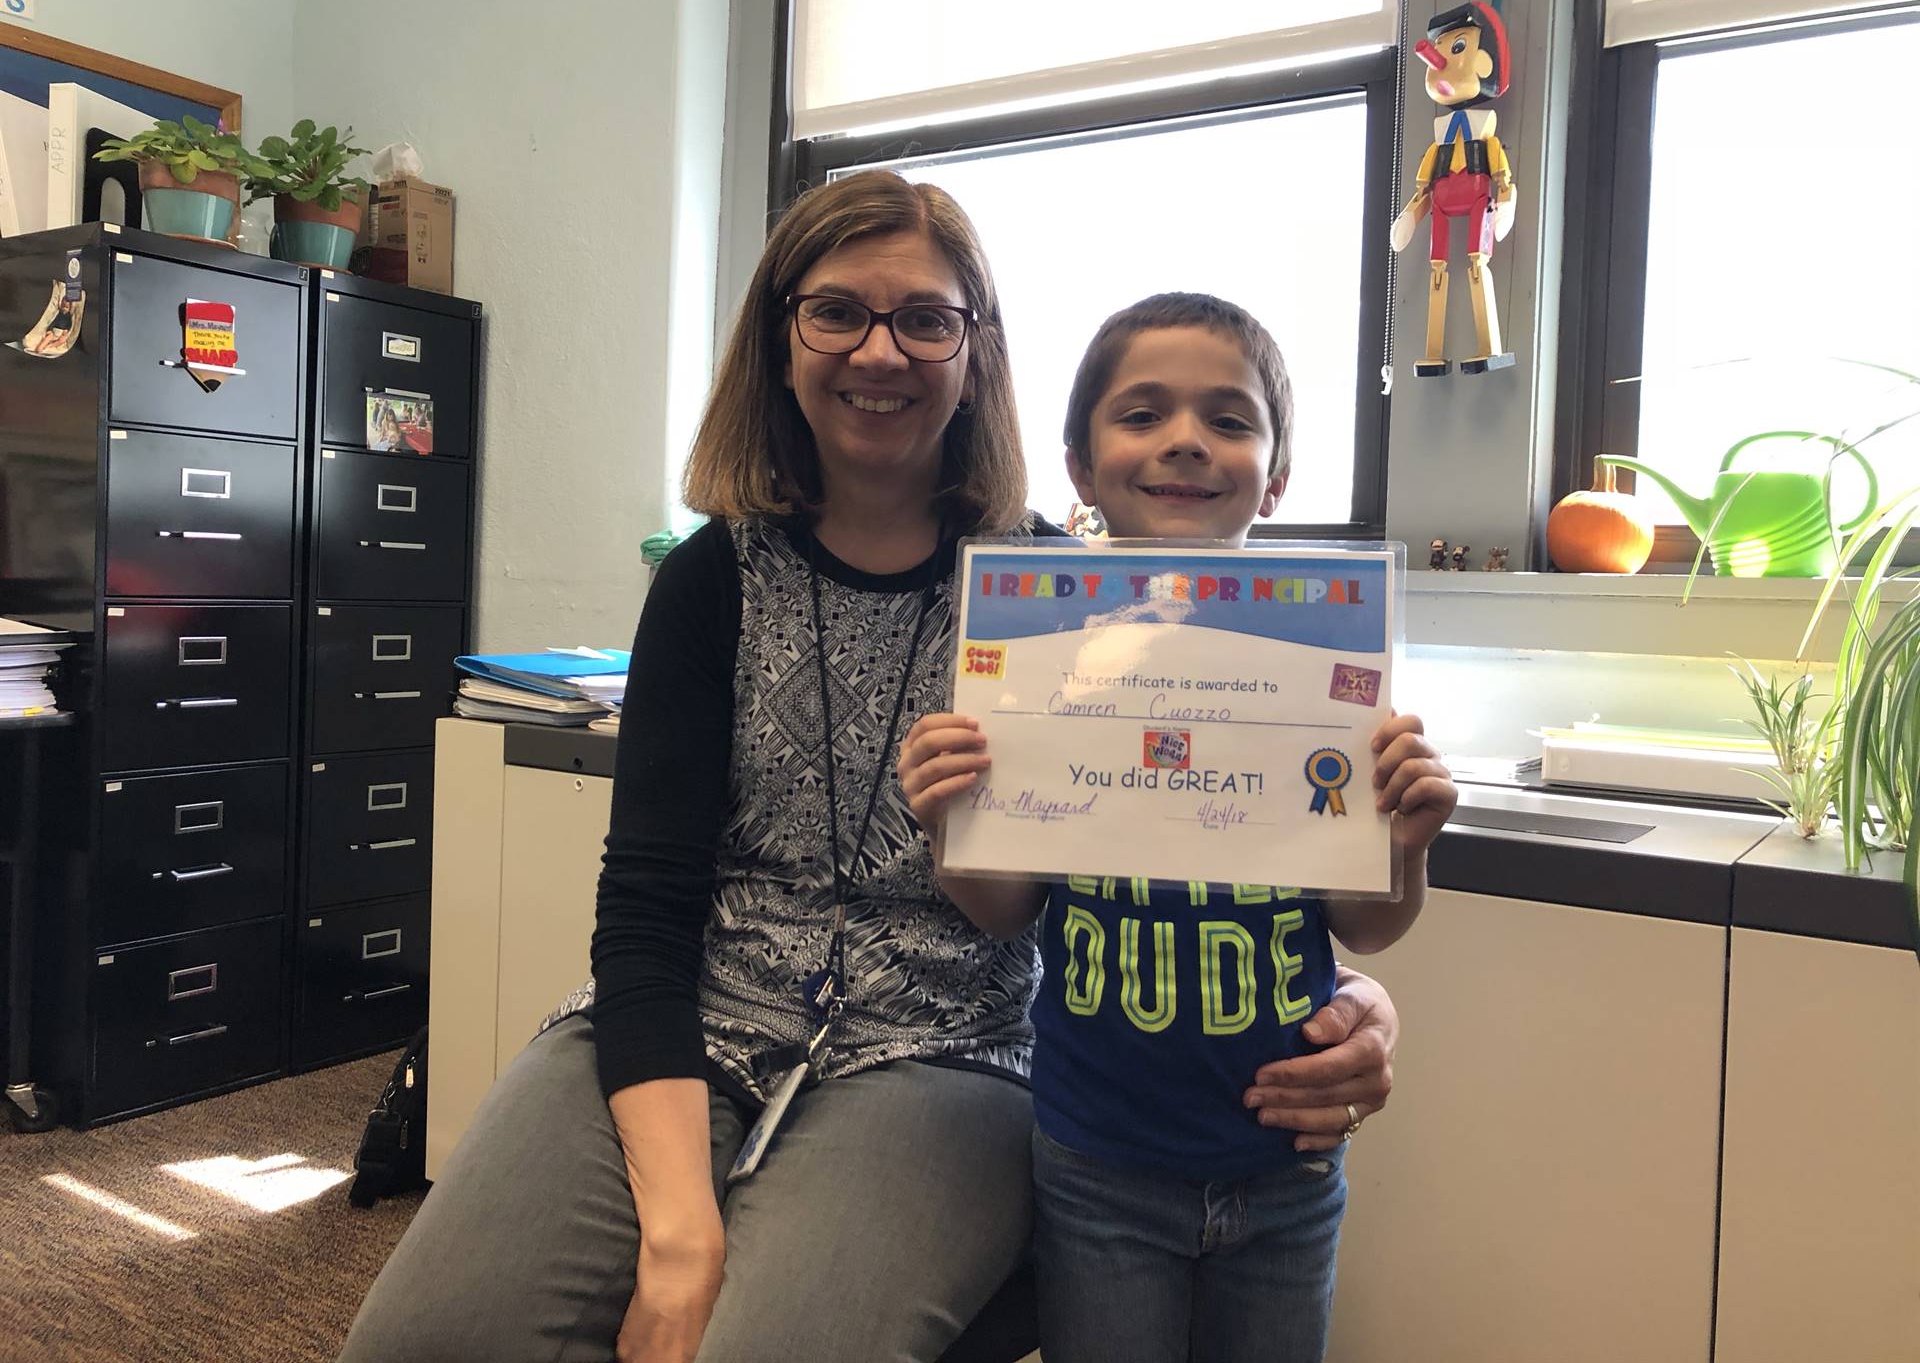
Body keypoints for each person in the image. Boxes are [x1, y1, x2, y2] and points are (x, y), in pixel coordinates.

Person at [337, 176, 1407, 1363]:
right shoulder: (711, 581)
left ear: (975, 350)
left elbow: (1210, 837)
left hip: (950, 1047)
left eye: (926, 319)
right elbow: (643, 913)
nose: (880, 353)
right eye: (837, 311)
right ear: (782, 338)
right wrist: (682, 1226)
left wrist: (1357, 996)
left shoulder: (1076, 602)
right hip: (694, 1013)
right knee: (423, 1346)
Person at [898, 294, 1458, 1363]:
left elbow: (1370, 930)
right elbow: (1005, 913)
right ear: (1080, 462)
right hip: (1098, 1162)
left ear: (1278, 473)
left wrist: (1406, 840)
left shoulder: (1330, 668)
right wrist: (951, 820)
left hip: (1285, 1164)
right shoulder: (1040, 647)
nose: (1187, 442)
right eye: (1143, 414)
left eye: (1231, 421)